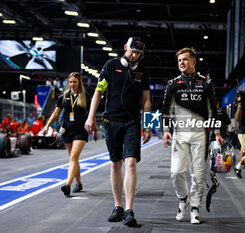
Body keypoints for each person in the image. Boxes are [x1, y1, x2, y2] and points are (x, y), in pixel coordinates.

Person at [84, 37, 152, 227]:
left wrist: (147, 125)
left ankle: (129, 210)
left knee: (130, 162)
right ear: (124, 48)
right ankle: (118, 206)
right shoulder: (111, 66)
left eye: (138, 53)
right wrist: (90, 117)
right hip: (111, 121)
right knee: (115, 164)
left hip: (132, 122)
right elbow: (98, 91)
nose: (135, 55)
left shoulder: (142, 71)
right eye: (132, 51)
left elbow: (146, 100)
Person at [162, 47, 224, 224]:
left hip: (200, 134)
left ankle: (195, 208)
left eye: (185, 59)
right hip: (180, 133)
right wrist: (166, 130)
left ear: (194, 62)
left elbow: (213, 110)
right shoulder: (172, 83)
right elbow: (165, 109)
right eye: (179, 60)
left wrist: (217, 132)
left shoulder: (206, 83)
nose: (182, 62)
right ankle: (183, 199)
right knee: (176, 172)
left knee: (198, 174)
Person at [43, 72, 96, 197]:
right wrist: (47, 125)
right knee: (73, 158)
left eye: (75, 82)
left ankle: (67, 185)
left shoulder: (85, 96)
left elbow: (91, 114)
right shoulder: (64, 96)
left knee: (73, 157)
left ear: (79, 83)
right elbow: (56, 113)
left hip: (80, 130)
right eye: (70, 82)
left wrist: (94, 130)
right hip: (67, 129)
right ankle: (79, 183)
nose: (72, 84)